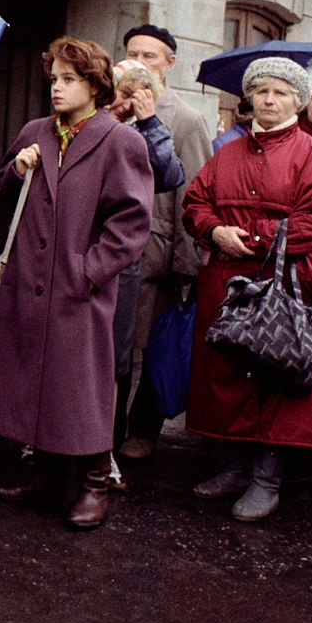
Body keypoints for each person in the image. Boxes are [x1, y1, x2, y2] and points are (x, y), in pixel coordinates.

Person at [0, 39, 152, 529]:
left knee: (81, 386)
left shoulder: (120, 141)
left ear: (95, 86)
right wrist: (16, 169)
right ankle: (48, 473)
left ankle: (95, 482)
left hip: (80, 288)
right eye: (54, 78)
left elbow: (132, 223)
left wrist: (88, 271)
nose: (57, 87)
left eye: (69, 79)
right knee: (36, 379)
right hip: (29, 277)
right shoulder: (36, 132)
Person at [181, 56, 312, 521]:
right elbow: (196, 201)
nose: (270, 100)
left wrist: (250, 238)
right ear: (249, 98)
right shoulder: (226, 153)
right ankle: (234, 466)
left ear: (298, 100)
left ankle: (267, 479)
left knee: (277, 374)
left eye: (281, 93)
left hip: (285, 282)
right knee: (227, 371)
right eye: (262, 91)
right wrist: (213, 231)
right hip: (228, 280)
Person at [116, 25, 214, 462]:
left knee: (150, 348)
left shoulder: (185, 118)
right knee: (112, 350)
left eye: (150, 56)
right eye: (133, 53)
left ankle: (143, 429)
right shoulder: (109, 105)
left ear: (169, 64)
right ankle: (105, 431)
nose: (140, 62)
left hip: (156, 253)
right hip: (113, 248)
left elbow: (191, 193)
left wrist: (187, 264)